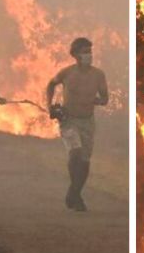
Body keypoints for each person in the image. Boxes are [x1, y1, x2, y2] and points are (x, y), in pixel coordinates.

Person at [45, 37, 108, 211]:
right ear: (75, 55)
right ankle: (75, 193)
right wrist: (50, 105)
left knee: (85, 160)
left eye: (90, 51)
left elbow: (105, 98)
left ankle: (74, 193)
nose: (89, 55)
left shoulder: (98, 75)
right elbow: (51, 85)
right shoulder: (67, 73)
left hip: (87, 121)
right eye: (85, 52)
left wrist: (97, 100)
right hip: (69, 120)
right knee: (75, 153)